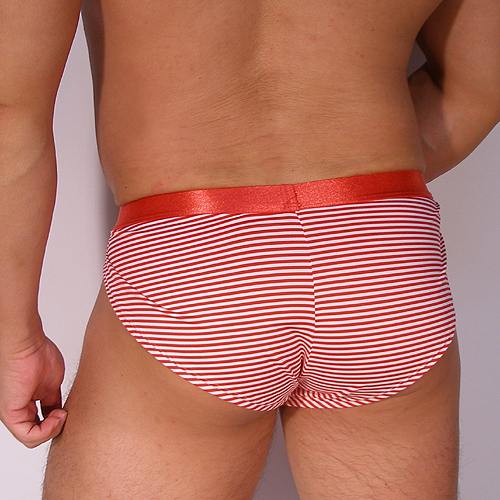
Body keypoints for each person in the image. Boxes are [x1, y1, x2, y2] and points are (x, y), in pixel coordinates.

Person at [0, 0, 499, 498]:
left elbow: (12, 116)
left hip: (195, 256)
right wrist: (347, 200)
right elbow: (480, 85)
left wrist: (16, 338)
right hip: (383, 258)